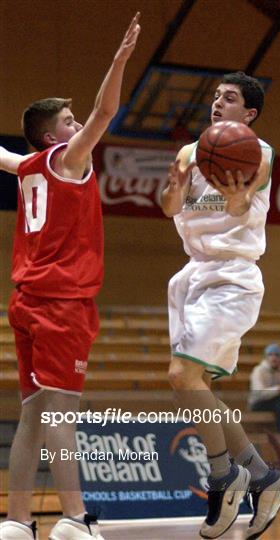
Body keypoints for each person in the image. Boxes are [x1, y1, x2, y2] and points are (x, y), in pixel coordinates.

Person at [0, 13, 140, 540]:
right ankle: (75, 518)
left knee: (32, 415)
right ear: (50, 136)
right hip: (61, 304)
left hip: (26, 301)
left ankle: (15, 520)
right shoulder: (66, 160)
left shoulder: (30, 167)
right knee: (62, 415)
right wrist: (120, 58)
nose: (79, 123)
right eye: (68, 119)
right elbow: (108, 109)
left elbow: (4, 156)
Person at [161, 71, 280, 540]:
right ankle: (264, 476)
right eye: (216, 96)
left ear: (249, 113)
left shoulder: (259, 153)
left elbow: (240, 209)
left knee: (181, 375)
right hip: (193, 277)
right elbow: (167, 205)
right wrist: (175, 187)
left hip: (234, 278)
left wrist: (238, 196)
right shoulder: (188, 152)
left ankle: (224, 476)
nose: (218, 103)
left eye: (230, 98)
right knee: (197, 389)